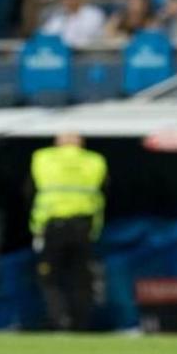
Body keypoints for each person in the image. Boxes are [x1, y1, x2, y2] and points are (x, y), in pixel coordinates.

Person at [29, 132, 107, 331]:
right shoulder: (95, 161)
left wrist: (36, 229)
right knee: (81, 278)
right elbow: (103, 193)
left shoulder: (43, 158)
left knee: (49, 277)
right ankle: (81, 324)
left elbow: (30, 190)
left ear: (58, 142)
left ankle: (59, 320)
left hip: (53, 227)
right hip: (84, 227)